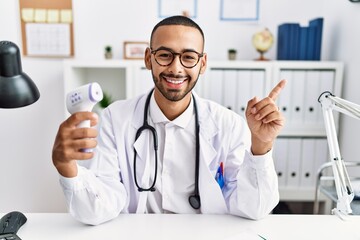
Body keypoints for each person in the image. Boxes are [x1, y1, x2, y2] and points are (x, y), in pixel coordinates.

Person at [52, 15, 286, 225]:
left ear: (202, 64)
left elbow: (254, 208)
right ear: (148, 58)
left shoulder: (228, 125)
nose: (176, 68)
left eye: (188, 57)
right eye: (164, 55)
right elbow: (99, 207)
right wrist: (67, 167)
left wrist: (261, 145)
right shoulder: (116, 118)